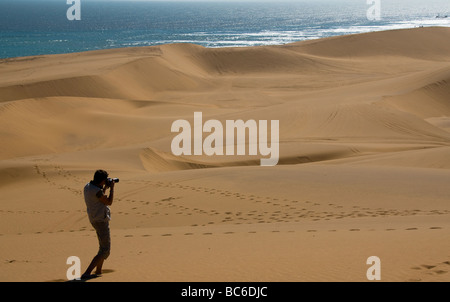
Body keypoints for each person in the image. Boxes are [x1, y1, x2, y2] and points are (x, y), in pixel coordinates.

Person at [81, 169, 115, 279]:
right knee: (105, 250)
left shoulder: (88, 186)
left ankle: (98, 270)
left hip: (95, 218)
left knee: (102, 248)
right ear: (102, 181)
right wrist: (112, 189)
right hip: (100, 220)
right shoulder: (96, 190)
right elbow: (109, 201)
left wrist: (104, 187)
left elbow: (99, 196)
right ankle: (87, 272)